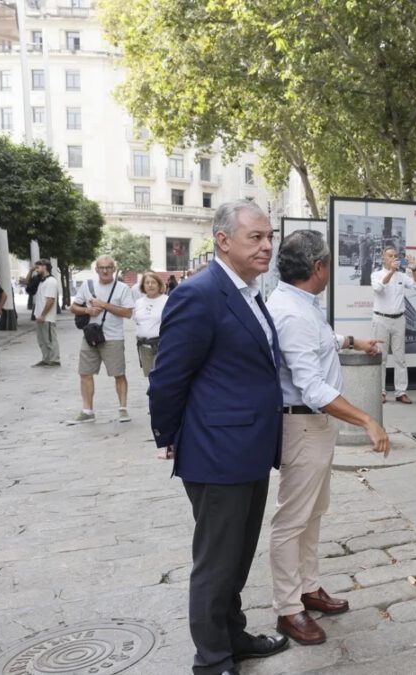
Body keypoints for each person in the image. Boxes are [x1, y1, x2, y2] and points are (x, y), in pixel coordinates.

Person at [149, 200, 289, 675]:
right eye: (256, 237)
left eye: (269, 236)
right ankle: (211, 659)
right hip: (217, 453)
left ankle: (233, 636)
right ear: (223, 241)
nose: (267, 245)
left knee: (238, 556)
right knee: (216, 562)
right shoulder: (200, 294)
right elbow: (168, 376)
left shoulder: (248, 291)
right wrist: (167, 433)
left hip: (249, 449)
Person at [265, 230, 390, 646]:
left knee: (314, 512)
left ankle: (309, 587)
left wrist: (353, 340)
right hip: (301, 425)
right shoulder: (293, 312)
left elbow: (321, 342)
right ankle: (288, 608)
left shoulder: (302, 305)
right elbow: (312, 387)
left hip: (314, 426)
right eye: (330, 264)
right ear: (318, 268)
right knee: (292, 519)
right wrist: (367, 421)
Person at [67, 256, 136, 424]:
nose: (105, 271)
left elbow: (128, 313)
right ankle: (87, 411)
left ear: (114, 269)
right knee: (85, 373)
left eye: (109, 267)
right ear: (96, 269)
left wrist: (104, 305)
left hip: (113, 338)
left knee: (118, 374)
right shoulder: (87, 285)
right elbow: (73, 307)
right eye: (101, 267)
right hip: (90, 336)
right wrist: (87, 311)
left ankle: (123, 409)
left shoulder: (122, 288)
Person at [371, 245, 416, 404]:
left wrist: (414, 270)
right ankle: (381, 392)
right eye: (390, 256)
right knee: (381, 357)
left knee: (400, 357)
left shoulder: (402, 276)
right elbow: (378, 288)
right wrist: (391, 272)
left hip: (399, 319)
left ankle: (401, 392)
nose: (394, 259)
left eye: (395, 256)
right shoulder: (376, 274)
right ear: (383, 258)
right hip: (381, 319)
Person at [134, 272, 168, 378]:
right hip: (144, 346)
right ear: (143, 286)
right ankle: (154, 395)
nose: (150, 285)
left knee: (163, 377)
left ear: (159, 284)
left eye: (153, 282)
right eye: (147, 282)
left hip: (162, 346)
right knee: (151, 378)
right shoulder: (139, 302)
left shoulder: (167, 300)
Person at [31, 260, 61, 367]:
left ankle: (54, 359)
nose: (36, 268)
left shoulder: (51, 281)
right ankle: (46, 358)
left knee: (49, 338)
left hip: (47, 317)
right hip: (39, 315)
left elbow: (50, 300)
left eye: (38, 266)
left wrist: (43, 314)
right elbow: (28, 284)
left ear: (45, 267)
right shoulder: (41, 281)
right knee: (42, 340)